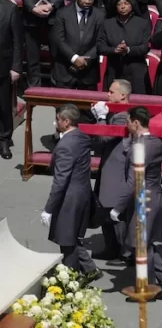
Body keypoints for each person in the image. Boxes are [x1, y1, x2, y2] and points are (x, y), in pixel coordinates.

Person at [110, 106, 162, 297]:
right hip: (154, 198)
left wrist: (117, 208)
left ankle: (147, 287)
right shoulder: (156, 142)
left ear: (136, 122)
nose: (126, 125)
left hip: (142, 202)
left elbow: (133, 181)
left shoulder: (141, 147)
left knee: (140, 245)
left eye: (128, 122)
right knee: (146, 244)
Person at [42, 104, 101, 282]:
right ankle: (89, 270)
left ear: (66, 122)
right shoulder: (81, 137)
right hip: (82, 193)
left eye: (58, 119)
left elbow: (61, 181)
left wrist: (48, 209)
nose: (55, 122)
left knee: (67, 239)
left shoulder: (65, 145)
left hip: (69, 198)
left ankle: (71, 278)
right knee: (72, 236)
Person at [91, 79, 131, 263]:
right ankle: (111, 247)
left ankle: (123, 251)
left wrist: (100, 118)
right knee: (104, 206)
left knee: (114, 209)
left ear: (123, 95)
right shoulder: (117, 113)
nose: (108, 94)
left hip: (116, 170)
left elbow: (103, 139)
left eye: (111, 92)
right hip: (109, 166)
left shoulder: (123, 115)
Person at [50, 0, 104, 90]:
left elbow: (101, 41)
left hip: (88, 72)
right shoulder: (62, 13)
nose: (87, 2)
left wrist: (84, 61)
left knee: (87, 107)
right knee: (63, 106)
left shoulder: (100, 15)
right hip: (65, 69)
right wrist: (74, 58)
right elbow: (59, 40)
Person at [0, 0, 21, 159]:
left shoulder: (10, 9)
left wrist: (15, 67)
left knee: (4, 106)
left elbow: (17, 41)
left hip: (3, 65)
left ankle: (5, 140)